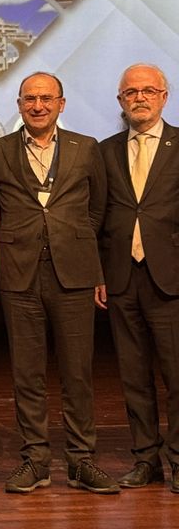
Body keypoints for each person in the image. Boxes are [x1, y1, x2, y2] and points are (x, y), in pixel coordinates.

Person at [0, 71, 118, 494]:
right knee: (27, 374)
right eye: (29, 99)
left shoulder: (86, 148)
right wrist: (22, 241)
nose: (37, 106)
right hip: (20, 276)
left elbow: (96, 210)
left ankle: (81, 461)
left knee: (77, 373)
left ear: (61, 103)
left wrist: (73, 244)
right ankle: (35, 461)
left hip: (73, 274)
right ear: (19, 105)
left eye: (46, 98)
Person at [99, 64, 179, 492]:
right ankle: (146, 459)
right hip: (121, 277)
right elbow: (96, 216)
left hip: (171, 278)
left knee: (176, 375)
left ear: (164, 96)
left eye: (148, 90)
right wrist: (98, 273)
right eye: (131, 92)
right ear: (120, 101)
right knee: (133, 377)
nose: (140, 98)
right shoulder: (104, 151)